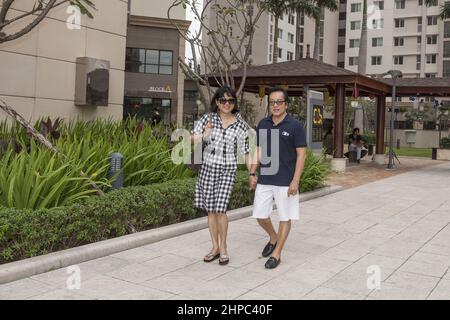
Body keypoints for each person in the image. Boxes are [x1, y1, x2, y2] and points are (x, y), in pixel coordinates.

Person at [191, 86, 252, 266]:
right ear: (217, 102)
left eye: (230, 100)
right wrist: (204, 134)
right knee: (211, 210)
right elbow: (190, 139)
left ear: (234, 103)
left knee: (221, 209)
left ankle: (224, 247)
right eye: (223, 100)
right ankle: (214, 247)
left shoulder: (240, 125)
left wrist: (252, 172)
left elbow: (246, 151)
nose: (227, 104)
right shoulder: (207, 119)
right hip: (208, 169)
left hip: (227, 170)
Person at [249, 86, 307, 269]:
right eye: (272, 102)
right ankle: (273, 237)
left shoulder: (295, 126)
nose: (275, 105)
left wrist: (295, 180)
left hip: (286, 180)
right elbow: (258, 150)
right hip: (265, 178)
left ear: (286, 104)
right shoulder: (263, 124)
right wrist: (252, 172)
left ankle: (277, 253)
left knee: (285, 216)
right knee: (260, 215)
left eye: (279, 102)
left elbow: (301, 155)